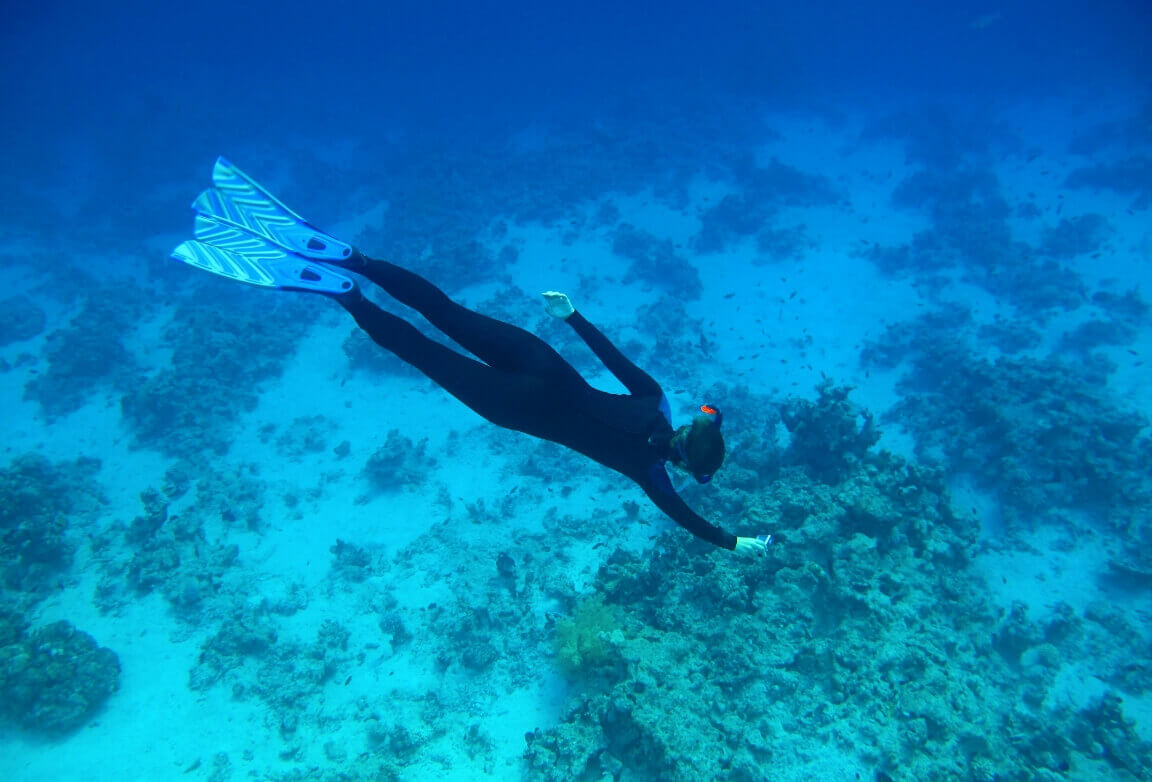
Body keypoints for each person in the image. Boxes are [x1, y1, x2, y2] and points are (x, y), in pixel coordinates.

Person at [172, 158, 770, 555]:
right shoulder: (651, 475)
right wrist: (733, 541)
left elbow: (612, 357)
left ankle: (351, 259)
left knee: (442, 309)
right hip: (515, 407)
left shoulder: (658, 402)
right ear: (690, 468)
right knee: (421, 350)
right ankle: (347, 294)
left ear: (692, 424)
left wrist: (571, 316)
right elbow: (688, 521)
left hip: (541, 364)